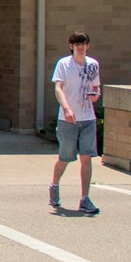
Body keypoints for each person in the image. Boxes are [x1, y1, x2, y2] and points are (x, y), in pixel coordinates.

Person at [50, 31, 101, 214]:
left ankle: (85, 198)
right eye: (77, 44)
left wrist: (95, 95)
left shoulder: (93, 64)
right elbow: (58, 88)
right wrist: (66, 108)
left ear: (87, 45)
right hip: (68, 119)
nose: (80, 47)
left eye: (83, 43)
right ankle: (54, 186)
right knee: (65, 157)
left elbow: (95, 88)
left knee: (86, 157)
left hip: (87, 117)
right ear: (71, 46)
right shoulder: (64, 64)